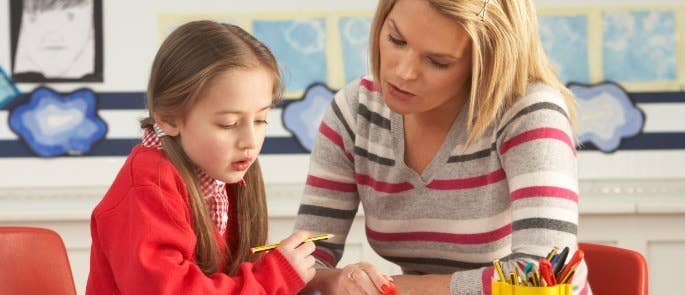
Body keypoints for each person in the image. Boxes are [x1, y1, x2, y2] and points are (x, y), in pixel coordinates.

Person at [294, 0, 591, 294]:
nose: (404, 72)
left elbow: (544, 275)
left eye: (438, 61)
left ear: (485, 61)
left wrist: (395, 289)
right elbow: (304, 262)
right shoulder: (356, 111)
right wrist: (341, 282)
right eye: (396, 40)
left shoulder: (528, 113)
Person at [86, 20, 316, 294]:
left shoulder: (223, 171)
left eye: (261, 120)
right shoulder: (147, 188)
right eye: (228, 124)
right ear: (169, 118)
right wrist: (273, 277)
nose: (250, 141)